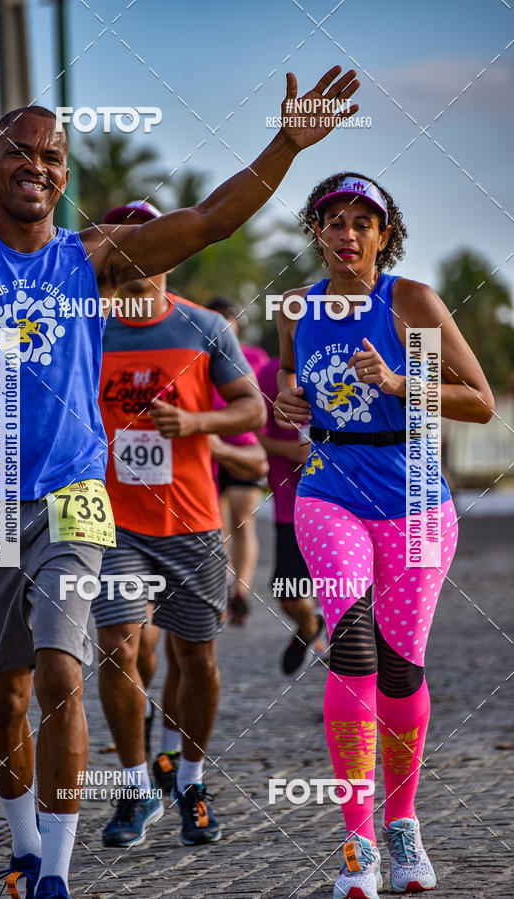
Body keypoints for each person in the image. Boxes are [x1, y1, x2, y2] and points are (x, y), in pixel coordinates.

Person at [0, 66, 359, 899]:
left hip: (76, 497)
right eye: (19, 151)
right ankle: (20, 842)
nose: (36, 165)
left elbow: (210, 219)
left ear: (64, 173)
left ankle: (55, 868)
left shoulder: (94, 261)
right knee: (5, 691)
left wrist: (287, 143)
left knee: (61, 672)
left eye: (51, 155)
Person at [274, 173, 494, 899]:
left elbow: (478, 401)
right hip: (329, 490)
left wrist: (402, 382)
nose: (347, 233)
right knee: (353, 644)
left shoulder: (410, 303)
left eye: (361, 221)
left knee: (401, 667)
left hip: (416, 504)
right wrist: (285, 400)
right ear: (316, 232)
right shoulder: (296, 308)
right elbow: (290, 396)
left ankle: (403, 825)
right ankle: (357, 840)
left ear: (382, 233)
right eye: (333, 220)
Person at [93, 200, 266, 850]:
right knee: (117, 647)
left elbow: (252, 407)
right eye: (128, 239)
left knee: (196, 657)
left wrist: (196, 424)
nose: (142, 252)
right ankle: (136, 788)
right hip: (110, 524)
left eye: (155, 238)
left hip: (191, 523)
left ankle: (189, 779)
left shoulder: (205, 326)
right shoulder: (88, 329)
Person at [257, 355, 326, 673]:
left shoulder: (345, 360)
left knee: (349, 599)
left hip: (344, 503)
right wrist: (291, 451)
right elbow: (253, 434)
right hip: (292, 504)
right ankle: (311, 625)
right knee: (288, 593)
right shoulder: (269, 374)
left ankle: (349, 689)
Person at [207, 297, 270, 624]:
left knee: (245, 521)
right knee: (216, 524)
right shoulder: (197, 356)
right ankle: (226, 582)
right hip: (206, 449)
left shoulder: (256, 357)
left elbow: (267, 407)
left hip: (245, 449)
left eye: (228, 320)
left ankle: (241, 589)